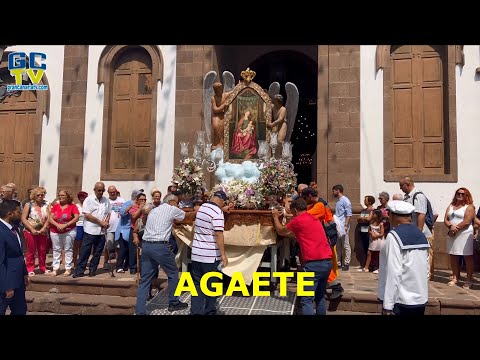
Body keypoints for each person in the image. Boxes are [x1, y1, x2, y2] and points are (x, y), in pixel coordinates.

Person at [135, 193, 197, 315]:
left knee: (145, 280)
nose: (178, 205)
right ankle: (174, 302)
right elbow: (187, 217)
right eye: (177, 203)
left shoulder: (153, 210)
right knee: (173, 273)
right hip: (160, 246)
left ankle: (140, 311)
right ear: (172, 202)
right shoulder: (172, 208)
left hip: (146, 246)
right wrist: (198, 211)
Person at [272, 198, 332, 315]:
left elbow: (281, 231)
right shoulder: (314, 218)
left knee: (306, 299)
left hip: (313, 264)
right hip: (327, 262)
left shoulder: (298, 221)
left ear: (295, 209)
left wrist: (275, 218)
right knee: (319, 296)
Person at [378, 200, 429, 315]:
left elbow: (393, 271)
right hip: (419, 299)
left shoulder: (393, 236)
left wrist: (388, 305)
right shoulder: (421, 234)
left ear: (393, 216)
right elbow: (426, 268)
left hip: (400, 300)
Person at [190, 191, 230, 315]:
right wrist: (223, 255)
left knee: (197, 285)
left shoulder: (202, 208)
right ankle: (209, 311)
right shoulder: (217, 213)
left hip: (196, 254)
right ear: (222, 201)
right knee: (211, 286)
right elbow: (218, 233)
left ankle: (195, 312)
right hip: (210, 256)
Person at [73, 182, 111, 278]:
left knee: (97, 253)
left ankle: (92, 270)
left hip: (101, 231)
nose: (101, 192)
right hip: (90, 230)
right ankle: (79, 271)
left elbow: (108, 213)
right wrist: (100, 222)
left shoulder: (106, 200)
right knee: (85, 252)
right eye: (99, 190)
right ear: (94, 190)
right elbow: (87, 215)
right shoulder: (88, 200)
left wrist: (106, 222)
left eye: (102, 190)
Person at [399, 176, 434, 279]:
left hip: (421, 233)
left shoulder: (418, 196)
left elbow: (421, 214)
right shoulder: (408, 196)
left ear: (408, 184)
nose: (400, 188)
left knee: (424, 257)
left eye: (401, 186)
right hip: (412, 231)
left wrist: (418, 232)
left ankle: (425, 277)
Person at [0, 200, 29, 315]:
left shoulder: (14, 228)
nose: (21, 214)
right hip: (6, 282)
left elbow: (18, 255)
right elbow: (0, 261)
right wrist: (6, 285)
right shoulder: (1, 231)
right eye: (18, 212)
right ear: (9, 213)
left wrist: (24, 273)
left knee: (20, 310)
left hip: (18, 279)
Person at [443, 187, 475, 289]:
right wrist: (450, 226)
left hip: (464, 234)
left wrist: (455, 229)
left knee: (467, 256)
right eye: (458, 193)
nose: (460, 195)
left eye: (462, 194)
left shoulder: (469, 207)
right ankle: (455, 277)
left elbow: (467, 221)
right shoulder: (451, 206)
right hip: (452, 234)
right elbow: (446, 219)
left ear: (466, 196)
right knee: (453, 255)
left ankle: (469, 279)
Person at [47, 189, 79, 276]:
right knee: (56, 249)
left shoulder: (73, 206)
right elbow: (50, 218)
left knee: (68, 249)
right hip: (55, 231)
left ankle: (68, 268)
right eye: (59, 195)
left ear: (68, 197)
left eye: (63, 195)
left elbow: (76, 218)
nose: (60, 197)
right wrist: (57, 225)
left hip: (69, 230)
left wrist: (65, 225)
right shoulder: (56, 206)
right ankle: (55, 268)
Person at [21, 187, 50, 276]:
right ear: (34, 196)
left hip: (43, 231)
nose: (40, 196)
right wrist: (32, 229)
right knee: (31, 250)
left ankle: (42, 267)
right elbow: (23, 218)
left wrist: (44, 228)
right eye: (38, 195)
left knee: (42, 249)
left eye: (42, 195)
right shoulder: (28, 205)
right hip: (30, 231)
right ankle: (30, 268)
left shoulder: (47, 204)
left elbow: (49, 217)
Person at [332, 184, 352, 271]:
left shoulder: (345, 200)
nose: (333, 193)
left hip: (343, 225)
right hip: (338, 225)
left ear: (338, 191)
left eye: (334, 191)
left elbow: (349, 214)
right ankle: (338, 262)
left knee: (345, 244)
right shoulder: (338, 201)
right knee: (338, 245)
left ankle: (346, 262)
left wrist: (346, 225)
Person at [211, 82, 232, 149]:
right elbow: (214, 109)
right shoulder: (213, 98)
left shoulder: (225, 95)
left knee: (224, 126)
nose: (220, 90)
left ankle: (223, 144)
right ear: (215, 90)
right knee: (216, 125)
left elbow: (233, 92)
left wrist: (240, 85)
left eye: (221, 89)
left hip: (224, 115)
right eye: (218, 89)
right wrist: (223, 106)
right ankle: (216, 143)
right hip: (216, 115)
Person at [357, 195, 375, 269]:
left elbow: (369, 219)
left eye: (366, 200)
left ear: (370, 201)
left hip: (368, 230)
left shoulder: (372, 210)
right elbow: (358, 219)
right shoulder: (363, 210)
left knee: (368, 247)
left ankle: (369, 265)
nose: (364, 201)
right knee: (363, 247)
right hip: (362, 230)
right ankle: (363, 264)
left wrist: (362, 218)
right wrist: (363, 218)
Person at [73, 191, 88, 268]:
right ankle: (75, 263)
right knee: (76, 245)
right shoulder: (76, 206)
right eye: (81, 197)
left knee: (83, 247)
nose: (83, 199)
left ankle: (82, 264)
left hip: (86, 226)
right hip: (78, 226)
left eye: (84, 197)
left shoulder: (88, 205)